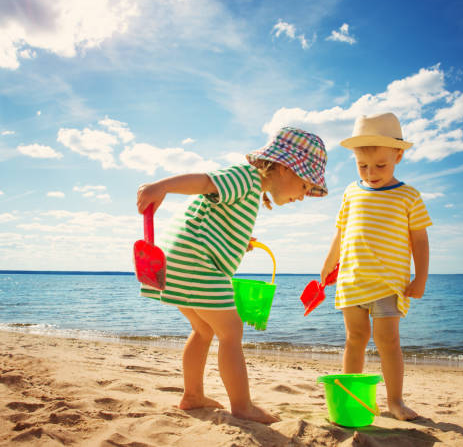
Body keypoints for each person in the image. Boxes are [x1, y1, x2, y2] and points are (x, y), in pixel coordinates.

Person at [137, 127, 327, 424]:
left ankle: (193, 395)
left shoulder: (251, 191)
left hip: (177, 262)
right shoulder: (245, 177)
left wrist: (240, 242)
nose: (303, 197)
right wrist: (160, 187)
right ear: (284, 167)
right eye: (304, 187)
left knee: (204, 330)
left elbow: (217, 219)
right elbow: (205, 182)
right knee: (232, 332)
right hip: (198, 262)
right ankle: (242, 406)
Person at [320, 112, 431, 421]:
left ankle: (395, 401)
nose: (370, 173)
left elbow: (419, 241)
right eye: (362, 166)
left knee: (389, 342)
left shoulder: (408, 196)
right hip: (351, 281)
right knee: (354, 339)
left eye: (380, 165)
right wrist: (327, 266)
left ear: (398, 155)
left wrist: (420, 278)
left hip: (388, 284)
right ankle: (349, 397)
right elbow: (341, 234)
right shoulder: (351, 192)